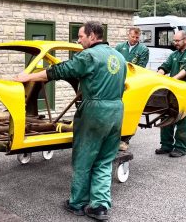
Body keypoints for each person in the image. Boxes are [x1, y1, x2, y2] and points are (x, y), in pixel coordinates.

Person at [15, 21, 126, 221]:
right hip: (116, 110)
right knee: (104, 159)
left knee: (84, 158)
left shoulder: (89, 55)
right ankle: (100, 206)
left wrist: (27, 77)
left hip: (95, 110)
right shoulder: (119, 57)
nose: (78, 40)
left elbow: (59, 70)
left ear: (92, 36)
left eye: (81, 36)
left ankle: (78, 203)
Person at [155, 30, 186, 157]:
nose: (175, 43)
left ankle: (180, 148)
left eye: (177, 41)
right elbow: (165, 67)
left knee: (183, 120)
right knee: (166, 116)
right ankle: (166, 145)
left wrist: (172, 80)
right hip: (171, 92)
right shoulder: (174, 54)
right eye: (174, 41)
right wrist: (158, 76)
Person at [115, 26, 149, 151]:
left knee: (129, 112)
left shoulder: (143, 50)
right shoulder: (119, 47)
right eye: (132, 36)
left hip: (133, 83)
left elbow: (140, 68)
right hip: (118, 81)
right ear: (128, 35)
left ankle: (125, 139)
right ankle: (114, 137)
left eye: (137, 37)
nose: (134, 39)